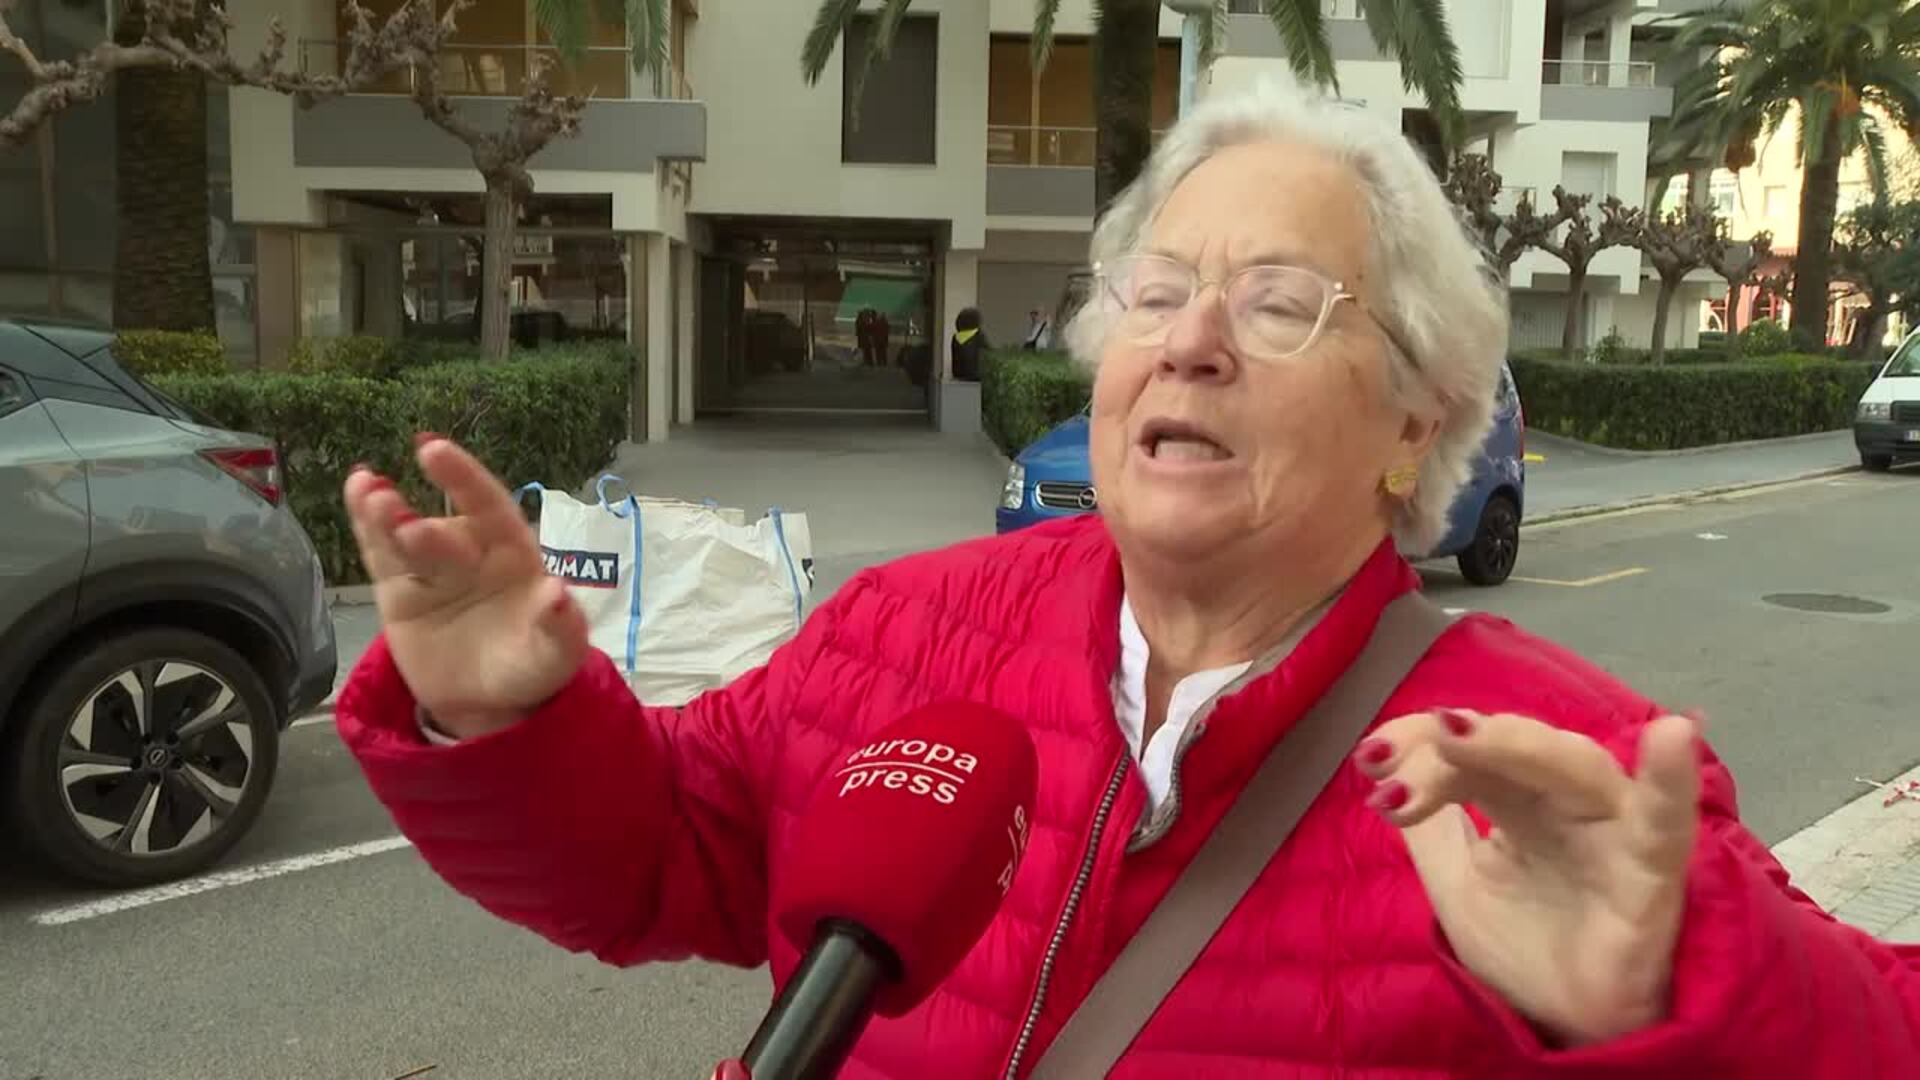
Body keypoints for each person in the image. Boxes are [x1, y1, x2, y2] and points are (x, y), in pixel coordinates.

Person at [336, 80, 1920, 1077]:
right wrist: (517, 721)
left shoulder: (1559, 772)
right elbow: (669, 857)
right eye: (1158, 288)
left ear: (1416, 418)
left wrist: (1677, 995)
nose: (1192, 336)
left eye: (1282, 301)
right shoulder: (904, 632)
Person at [950, 306, 988, 382]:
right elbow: (988, 354)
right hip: (975, 377)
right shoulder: (978, 336)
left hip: (959, 376)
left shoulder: (956, 338)